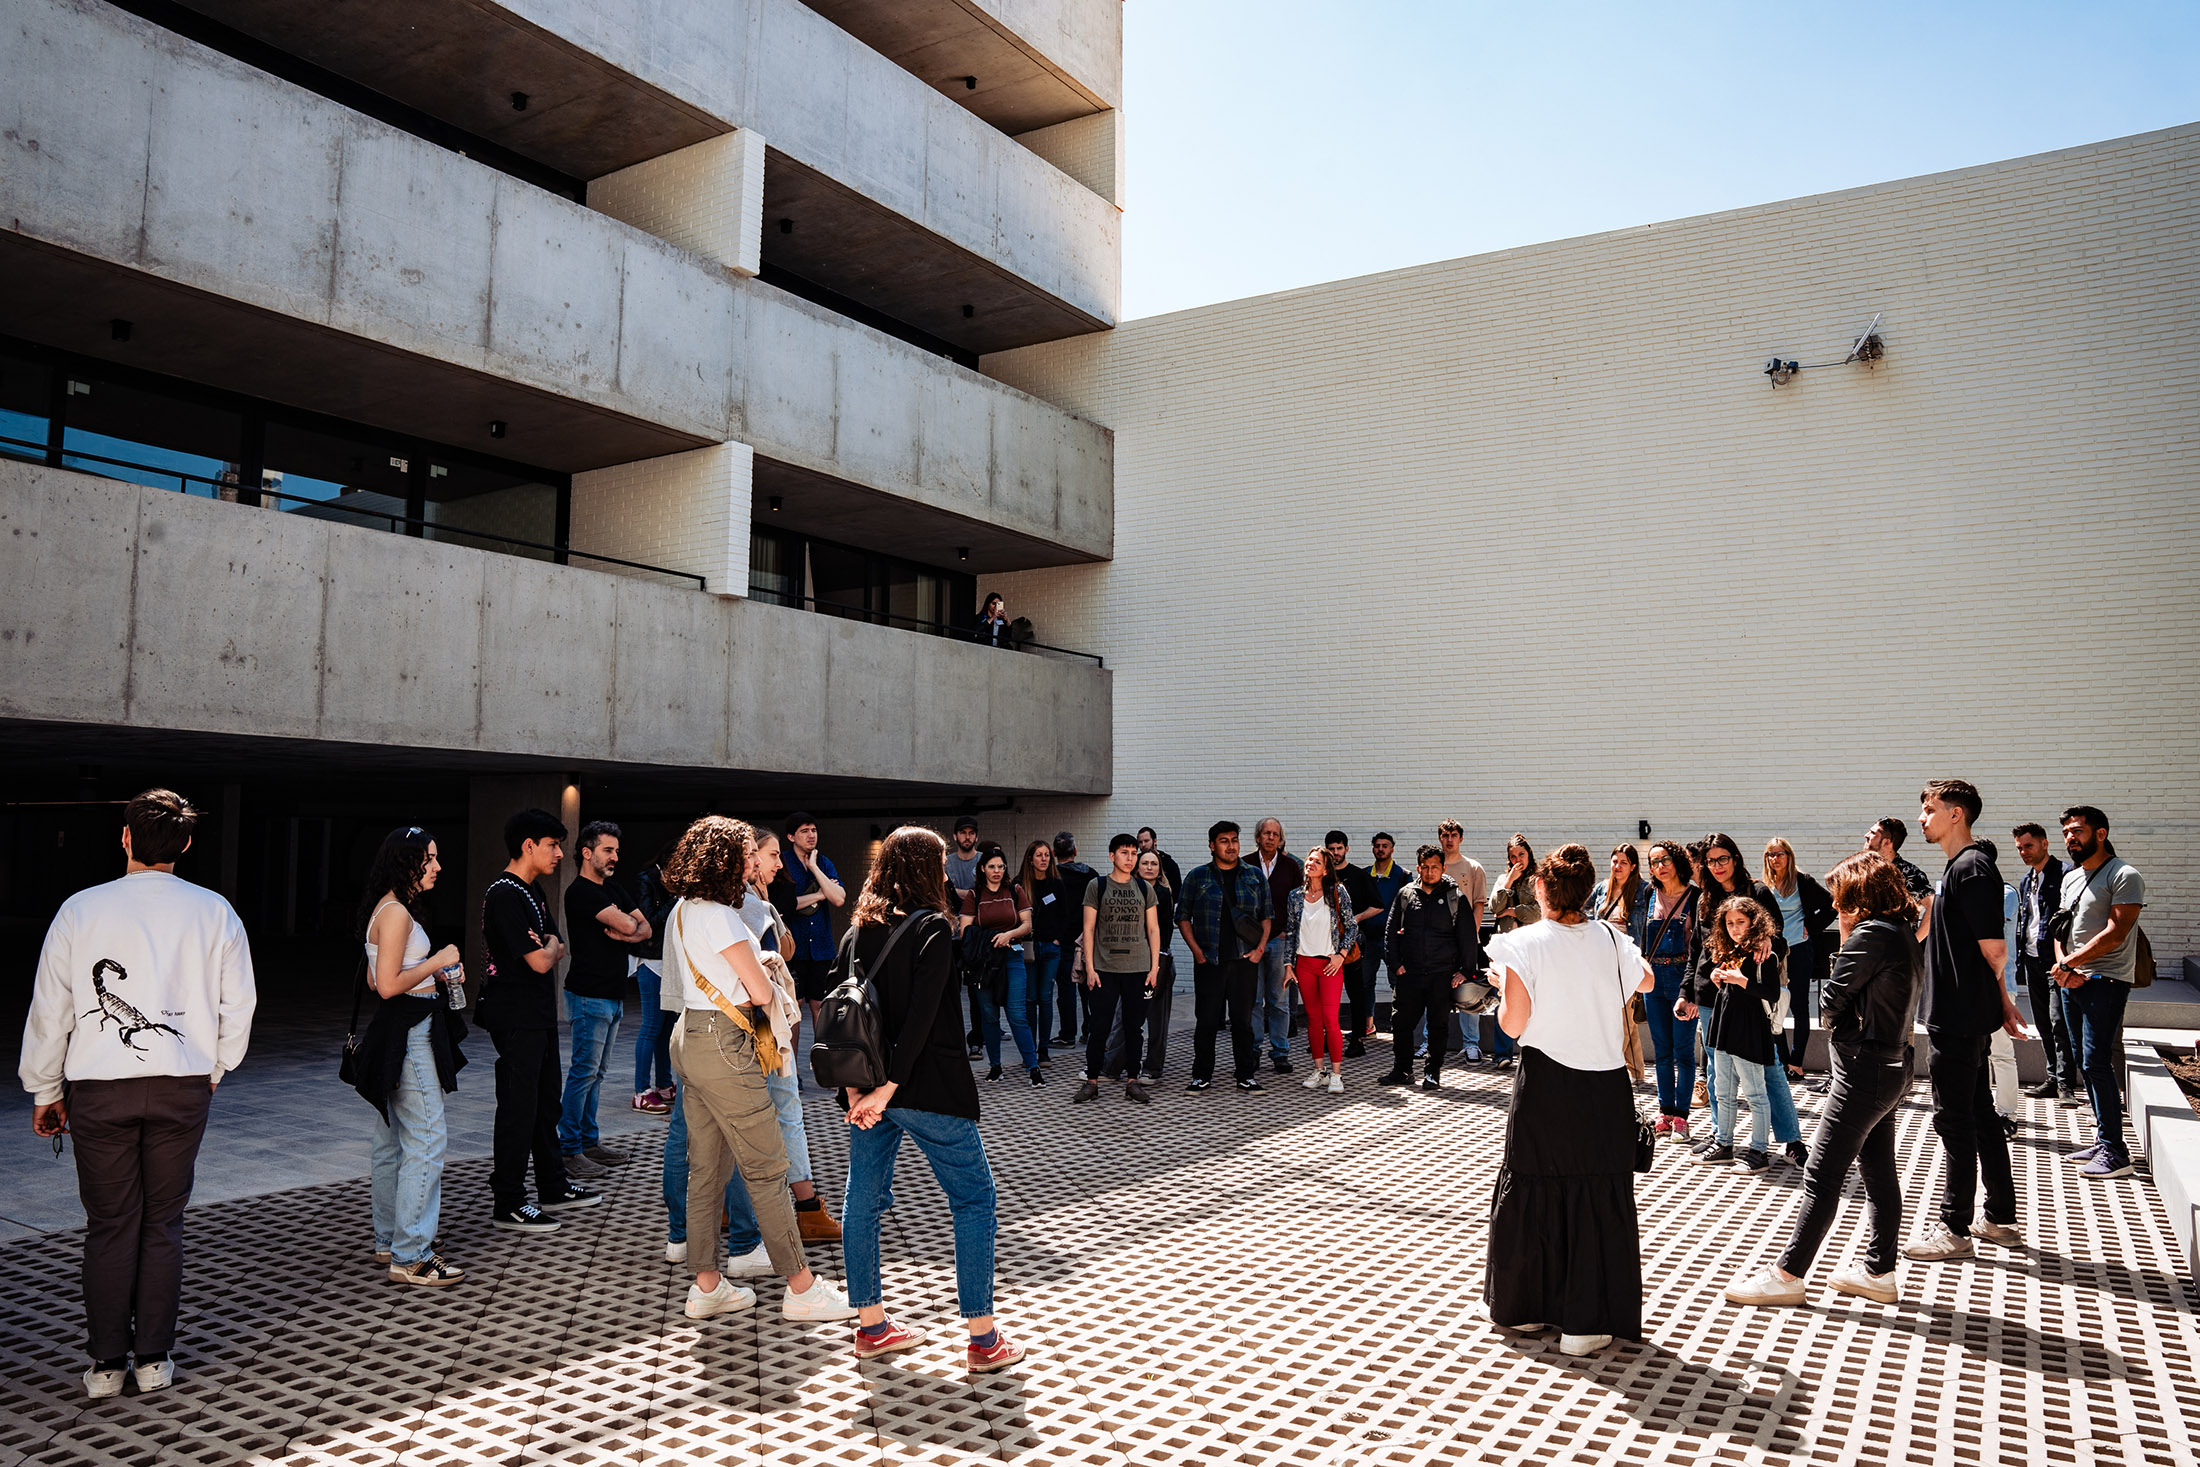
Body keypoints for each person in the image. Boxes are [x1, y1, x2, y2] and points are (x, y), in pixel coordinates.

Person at [20, 789, 258, 1398]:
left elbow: (53, 1009)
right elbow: (240, 1003)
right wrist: (216, 1067)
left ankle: (105, 1366)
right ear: (184, 843)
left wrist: (45, 1088)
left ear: (125, 839)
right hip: (184, 1087)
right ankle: (153, 1359)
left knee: (109, 1225)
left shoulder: (81, 909)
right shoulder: (215, 912)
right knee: (162, 1224)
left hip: (99, 1090)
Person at [841, 826, 1026, 1372]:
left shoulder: (857, 930)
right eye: (941, 864)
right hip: (925, 1088)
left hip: (868, 1092)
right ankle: (983, 1340)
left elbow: (842, 1012)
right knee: (974, 1199)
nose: (947, 874)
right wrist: (889, 1087)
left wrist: (859, 1090)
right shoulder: (932, 930)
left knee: (864, 1202)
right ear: (926, 870)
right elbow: (922, 1019)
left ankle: (872, 1327)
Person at [661, 816, 856, 1323]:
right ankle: (802, 1287)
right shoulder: (724, 917)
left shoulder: (685, 908)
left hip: (689, 1038)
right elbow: (761, 993)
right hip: (727, 1046)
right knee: (768, 1168)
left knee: (706, 1169)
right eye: (747, 853)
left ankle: (707, 1285)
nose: (753, 862)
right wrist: (766, 964)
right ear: (725, 859)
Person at [1723, 852, 1925, 1308]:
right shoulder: (1901, 932)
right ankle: (1879, 1270)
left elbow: (1831, 1002)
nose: (1835, 907)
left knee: (1822, 1172)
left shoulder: (1871, 934)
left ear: (1860, 896)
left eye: (1841, 898)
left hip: (1863, 1069)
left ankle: (1789, 1275)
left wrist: (1848, 939)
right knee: (1877, 1171)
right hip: (1891, 1065)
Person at [1481, 844, 1653, 1357]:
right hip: (1603, 1084)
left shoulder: (1522, 942)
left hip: (1546, 1082)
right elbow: (1644, 979)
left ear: (1541, 888)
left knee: (1533, 1186)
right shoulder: (1609, 937)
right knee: (1597, 1194)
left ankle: (1528, 1309)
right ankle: (1586, 1323)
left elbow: (1513, 1025)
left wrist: (1503, 984)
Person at [1904, 779, 2026, 1262]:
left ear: (1956, 814)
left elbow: (1994, 949)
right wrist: (2000, 1001)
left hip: (1956, 1018)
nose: (1922, 818)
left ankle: (1954, 1227)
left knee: (1954, 1121)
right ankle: (1999, 1219)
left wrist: (1994, 996)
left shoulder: (1973, 868)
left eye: (1930, 809)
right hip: (1964, 1014)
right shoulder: (1961, 868)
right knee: (1979, 1117)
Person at [476, 809, 599, 1233]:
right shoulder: (504, 894)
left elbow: (555, 944)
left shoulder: (534, 892)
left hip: (539, 1014)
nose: (560, 854)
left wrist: (547, 947)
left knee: (546, 1101)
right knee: (518, 1107)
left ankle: (552, 1184)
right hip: (514, 1016)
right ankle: (508, 1200)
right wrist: (547, 948)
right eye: (552, 845)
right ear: (529, 845)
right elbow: (541, 959)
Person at [357, 826, 467, 1287]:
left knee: (390, 1143)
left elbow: (373, 980)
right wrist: (438, 961)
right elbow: (386, 986)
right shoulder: (397, 912)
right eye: (431, 858)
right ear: (408, 862)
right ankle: (412, 1254)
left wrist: (426, 974)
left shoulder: (383, 907)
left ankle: (391, 1241)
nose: (438, 867)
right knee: (425, 1140)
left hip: (394, 1032)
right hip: (410, 1034)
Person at [740, 828, 840, 1241]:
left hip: (760, 1023)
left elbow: (788, 948)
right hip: (761, 1025)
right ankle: (806, 1206)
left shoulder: (755, 901)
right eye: (770, 855)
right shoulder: (746, 905)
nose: (779, 864)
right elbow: (778, 953)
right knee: (786, 1107)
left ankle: (737, 1209)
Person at [1693, 833, 1807, 1166]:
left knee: (1768, 1070)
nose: (1717, 867)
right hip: (1712, 992)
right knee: (1718, 1073)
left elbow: (1780, 940)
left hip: (1749, 997)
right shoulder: (1706, 897)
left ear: (1736, 858)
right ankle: (1721, 1138)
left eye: (1723, 859)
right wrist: (1689, 991)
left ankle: (1792, 1141)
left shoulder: (1757, 892)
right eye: (1710, 861)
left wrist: (1769, 944)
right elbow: (1697, 951)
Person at [2053, 805, 2149, 1179]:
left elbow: (2116, 933)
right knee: (2083, 1061)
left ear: (2101, 833)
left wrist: (2070, 964)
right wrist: (2063, 967)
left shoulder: (2125, 875)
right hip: (2071, 980)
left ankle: (2116, 1152)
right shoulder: (2071, 878)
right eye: (2066, 833)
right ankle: (2102, 1138)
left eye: (2077, 830)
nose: (2070, 838)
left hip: (2106, 982)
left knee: (2097, 1063)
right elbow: (2058, 930)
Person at [559, 820, 649, 1179]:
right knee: (583, 1073)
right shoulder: (581, 892)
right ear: (587, 852)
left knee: (597, 1074)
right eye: (607, 850)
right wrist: (629, 929)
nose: (615, 857)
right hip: (588, 994)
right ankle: (568, 1149)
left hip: (611, 994)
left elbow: (645, 928)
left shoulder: (614, 888)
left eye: (616, 850)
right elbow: (632, 925)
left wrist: (629, 932)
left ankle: (589, 1142)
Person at [1685, 898, 1785, 1173]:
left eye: (1741, 921)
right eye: (1730, 923)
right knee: (1722, 1090)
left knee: (1755, 1093)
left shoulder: (1764, 953)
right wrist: (1720, 978)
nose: (1735, 928)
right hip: (1723, 1028)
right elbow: (1728, 990)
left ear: (1755, 922)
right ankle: (1724, 1143)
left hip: (1748, 1031)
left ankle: (1759, 1150)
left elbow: (1772, 994)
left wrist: (1742, 981)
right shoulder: (1732, 951)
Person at [1177, 821, 1272, 1093]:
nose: (1231, 846)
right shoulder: (1198, 877)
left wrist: (1259, 951)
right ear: (1212, 846)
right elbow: (1182, 917)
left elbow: (1267, 916)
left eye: (1234, 840)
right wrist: (1197, 953)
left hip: (1245, 961)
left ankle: (1245, 1075)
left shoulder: (1254, 875)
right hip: (1210, 961)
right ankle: (1201, 1074)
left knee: (1243, 1021)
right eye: (1224, 841)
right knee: (1206, 1021)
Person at [1380, 844, 1476, 1091]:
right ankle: (1402, 1070)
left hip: (1441, 975)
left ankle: (1432, 1073)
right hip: (1409, 973)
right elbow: (1390, 932)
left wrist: (1465, 970)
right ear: (1418, 867)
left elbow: (1466, 936)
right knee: (1400, 1023)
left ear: (1443, 868)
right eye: (1425, 867)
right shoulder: (1405, 895)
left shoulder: (1456, 897)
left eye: (1435, 867)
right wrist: (1396, 964)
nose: (1430, 871)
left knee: (1437, 1026)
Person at [1075, 835, 1161, 1105]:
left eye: (1134, 853)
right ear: (1112, 856)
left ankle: (1133, 1081)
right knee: (1099, 1027)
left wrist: (1154, 967)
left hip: (1137, 968)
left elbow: (1153, 929)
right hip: (1104, 968)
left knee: (1134, 1028)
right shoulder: (1097, 886)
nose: (1130, 858)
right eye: (1124, 853)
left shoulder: (1144, 888)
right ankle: (1092, 1081)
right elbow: (1088, 929)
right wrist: (1090, 967)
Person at [1628, 840, 1699, 1141]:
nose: (1659, 866)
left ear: (1678, 861)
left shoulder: (1696, 896)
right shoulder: (1648, 893)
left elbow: (1701, 947)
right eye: (1654, 861)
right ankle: (1664, 1112)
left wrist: (1693, 989)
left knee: (1683, 1050)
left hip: (1683, 975)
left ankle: (1681, 1116)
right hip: (1653, 977)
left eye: (1665, 859)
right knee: (1662, 1051)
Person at [960, 849, 1040, 1084]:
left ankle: (1033, 1068)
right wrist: (991, 937)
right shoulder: (974, 895)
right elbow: (965, 930)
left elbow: (1027, 925)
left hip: (1012, 956)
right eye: (992, 867)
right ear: (982, 869)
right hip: (984, 963)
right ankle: (996, 1067)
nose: (997, 871)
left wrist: (1008, 935)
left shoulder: (1015, 891)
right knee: (989, 1016)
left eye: (1001, 867)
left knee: (1017, 1015)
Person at [1761, 838, 1836, 1079]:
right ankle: (1782, 1060)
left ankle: (1796, 1062)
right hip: (1774, 954)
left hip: (1799, 949)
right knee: (1775, 1005)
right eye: (1770, 855)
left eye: (1779, 854)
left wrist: (1810, 927)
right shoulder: (1765, 885)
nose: (1775, 859)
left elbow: (1831, 905)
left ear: (1788, 856)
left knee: (1799, 1006)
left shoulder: (1802, 881)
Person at [2011, 823, 2075, 1103]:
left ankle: (2066, 1085)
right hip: (2033, 961)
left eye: (2029, 846)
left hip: (2056, 962)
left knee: (2059, 1021)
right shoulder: (2027, 880)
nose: (2024, 852)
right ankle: (2052, 1079)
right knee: (2044, 1023)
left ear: (2045, 844)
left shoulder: (2065, 875)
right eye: (2020, 848)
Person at [1286, 847, 1358, 1093]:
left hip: (1329, 965)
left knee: (1331, 1019)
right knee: (1313, 1020)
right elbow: (1291, 932)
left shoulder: (1337, 892)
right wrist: (1288, 965)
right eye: (1309, 859)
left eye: (1317, 861)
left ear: (1326, 869)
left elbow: (1351, 927)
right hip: (1304, 964)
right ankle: (1320, 1070)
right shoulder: (1296, 896)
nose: (1311, 863)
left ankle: (1337, 1074)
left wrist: (1341, 955)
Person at [770, 812, 846, 1030]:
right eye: (804, 831)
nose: (811, 835)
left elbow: (839, 898)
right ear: (791, 836)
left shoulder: (823, 862)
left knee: (820, 1004)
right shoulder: (782, 863)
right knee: (793, 1005)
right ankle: (792, 1064)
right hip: (793, 946)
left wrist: (814, 868)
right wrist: (821, 895)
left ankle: (820, 1062)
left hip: (822, 947)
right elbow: (782, 905)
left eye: (813, 830)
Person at [1248, 818, 1303, 1075]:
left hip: (1280, 940)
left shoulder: (1291, 866)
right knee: (1253, 1000)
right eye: (1266, 833)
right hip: (1251, 943)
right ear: (1258, 837)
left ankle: (1280, 1053)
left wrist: (1290, 938)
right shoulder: (1245, 864)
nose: (1270, 838)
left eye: (1275, 834)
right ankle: (1254, 1050)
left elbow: (1297, 905)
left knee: (1279, 1001)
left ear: (1281, 839)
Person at [1479, 834, 1539, 1069]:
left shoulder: (1537, 880)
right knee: (1504, 996)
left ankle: (1532, 1051)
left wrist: (1513, 912)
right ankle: (1502, 1054)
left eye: (1521, 855)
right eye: (1513, 856)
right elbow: (1494, 906)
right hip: (1506, 947)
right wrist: (1509, 881)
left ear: (1529, 854)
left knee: (1533, 999)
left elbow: (1537, 912)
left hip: (1530, 947)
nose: (1517, 860)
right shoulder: (1504, 878)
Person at [1325, 832, 1384, 1059]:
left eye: (1339, 848)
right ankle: (1328, 1039)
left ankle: (1357, 1039)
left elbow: (1378, 905)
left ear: (1346, 849)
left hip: (1352, 945)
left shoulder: (1359, 876)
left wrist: (1355, 919)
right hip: (1325, 945)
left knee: (1356, 992)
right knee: (1327, 994)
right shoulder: (1322, 875)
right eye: (1332, 849)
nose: (1336, 853)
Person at [630, 843, 677, 1114]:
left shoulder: (672, 885)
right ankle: (640, 1090)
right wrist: (675, 900)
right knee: (651, 1025)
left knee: (666, 1026)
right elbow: (648, 923)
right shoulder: (646, 880)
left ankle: (662, 1084)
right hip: (650, 959)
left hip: (670, 960)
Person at [1019, 838, 1074, 1062]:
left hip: (1051, 948)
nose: (1043, 859)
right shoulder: (1020, 884)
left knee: (1045, 997)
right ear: (1030, 859)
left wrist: (1058, 939)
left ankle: (1043, 1049)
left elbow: (1065, 915)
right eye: (1039, 855)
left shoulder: (1056, 884)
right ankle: (1030, 1049)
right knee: (1030, 998)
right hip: (1028, 947)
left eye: (1046, 855)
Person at [1362, 833, 1414, 1047]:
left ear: (1392, 849)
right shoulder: (1365, 874)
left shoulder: (1403, 875)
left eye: (1385, 846)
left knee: (1398, 984)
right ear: (1373, 849)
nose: (1380, 849)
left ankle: (1399, 1028)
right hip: (1369, 940)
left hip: (1393, 941)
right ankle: (1368, 1026)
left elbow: (1410, 907)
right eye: (1377, 846)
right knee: (1365, 984)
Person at [1050, 833, 1099, 1049]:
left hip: (1062, 939)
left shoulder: (1052, 878)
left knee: (1066, 988)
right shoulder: (1091, 875)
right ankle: (1090, 1030)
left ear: (1053, 854)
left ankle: (1067, 1034)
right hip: (1088, 939)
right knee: (1089, 987)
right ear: (1075, 852)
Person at [946, 818, 985, 1057]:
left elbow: (983, 894)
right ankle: (954, 1040)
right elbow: (944, 896)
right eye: (963, 833)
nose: (967, 837)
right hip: (950, 936)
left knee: (975, 992)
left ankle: (977, 1041)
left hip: (974, 936)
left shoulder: (983, 861)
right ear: (955, 836)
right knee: (951, 992)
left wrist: (958, 892)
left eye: (971, 833)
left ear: (976, 837)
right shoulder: (946, 862)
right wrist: (971, 893)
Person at [1864, 817, 1934, 940]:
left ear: (1887, 842)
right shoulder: (1862, 870)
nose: (1866, 835)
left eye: (1873, 833)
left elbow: (1933, 907)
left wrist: (1914, 942)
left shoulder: (1909, 873)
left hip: (1895, 951)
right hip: (1864, 946)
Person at [1596, 844, 1644, 928]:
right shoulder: (1602, 887)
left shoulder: (1643, 890)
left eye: (1623, 863)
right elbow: (1583, 907)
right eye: (1615, 862)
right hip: (1605, 940)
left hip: (1630, 941)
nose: (1618, 866)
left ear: (1632, 867)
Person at [1137, 827, 1183, 891]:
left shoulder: (1169, 863)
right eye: (1140, 842)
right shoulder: (1135, 861)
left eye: (1146, 841)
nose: (1143, 844)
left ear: (1155, 841)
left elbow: (1177, 889)